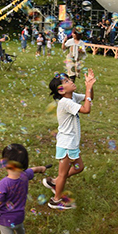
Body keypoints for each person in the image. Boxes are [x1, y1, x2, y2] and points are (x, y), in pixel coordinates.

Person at [43, 69, 96, 210]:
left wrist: (90, 86)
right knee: (63, 174)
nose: (71, 81)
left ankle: (55, 182)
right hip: (66, 144)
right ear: (60, 91)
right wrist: (88, 88)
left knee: (79, 167)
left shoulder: (71, 97)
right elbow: (86, 109)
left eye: (69, 79)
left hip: (71, 143)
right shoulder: (65, 102)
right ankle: (56, 200)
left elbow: (88, 98)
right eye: (66, 81)